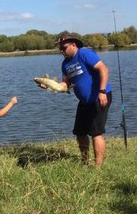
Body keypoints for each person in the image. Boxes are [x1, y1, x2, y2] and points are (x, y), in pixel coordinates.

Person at [40, 33, 111, 166]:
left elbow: (103, 69)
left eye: (64, 47)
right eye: (59, 49)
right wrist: (49, 85)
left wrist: (102, 91)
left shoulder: (84, 54)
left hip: (99, 97)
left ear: (73, 45)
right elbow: (65, 85)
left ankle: (98, 167)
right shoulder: (65, 64)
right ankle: (85, 162)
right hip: (84, 102)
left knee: (96, 133)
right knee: (80, 132)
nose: (61, 51)